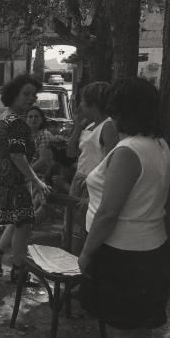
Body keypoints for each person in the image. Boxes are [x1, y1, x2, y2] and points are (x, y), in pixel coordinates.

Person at [78, 77, 170, 336]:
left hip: (122, 255)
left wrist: (86, 253)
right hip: (150, 250)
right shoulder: (159, 144)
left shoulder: (129, 150)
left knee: (122, 328)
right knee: (140, 327)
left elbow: (108, 213)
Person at [0, 74, 51, 283]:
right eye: (26, 94)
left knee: (18, 221)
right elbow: (17, 155)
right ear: (14, 94)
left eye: (34, 95)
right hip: (14, 183)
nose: (31, 98)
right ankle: (18, 271)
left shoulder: (5, 116)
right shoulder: (17, 124)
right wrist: (37, 181)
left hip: (1, 179)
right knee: (24, 225)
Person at [66, 81, 119, 254]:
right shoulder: (89, 125)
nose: (80, 104)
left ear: (93, 103)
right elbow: (71, 152)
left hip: (92, 184)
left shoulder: (108, 126)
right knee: (72, 227)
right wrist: (78, 126)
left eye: (82, 100)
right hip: (79, 179)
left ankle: (81, 268)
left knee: (82, 230)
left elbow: (112, 163)